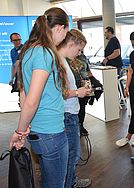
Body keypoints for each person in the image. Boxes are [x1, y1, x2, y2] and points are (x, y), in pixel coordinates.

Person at [8, 7, 70, 188]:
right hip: (51, 132)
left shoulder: (28, 51)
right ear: (59, 28)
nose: (64, 37)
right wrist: (20, 131)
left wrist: (23, 127)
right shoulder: (45, 53)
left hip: (38, 131)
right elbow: (32, 100)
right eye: (65, 32)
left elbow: (24, 93)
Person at [57, 29, 92, 188]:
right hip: (66, 115)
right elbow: (59, 92)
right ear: (71, 44)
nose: (79, 54)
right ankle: (69, 183)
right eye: (79, 50)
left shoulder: (63, 61)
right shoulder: (58, 62)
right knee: (72, 155)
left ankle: (71, 180)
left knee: (71, 154)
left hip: (70, 113)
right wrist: (78, 92)